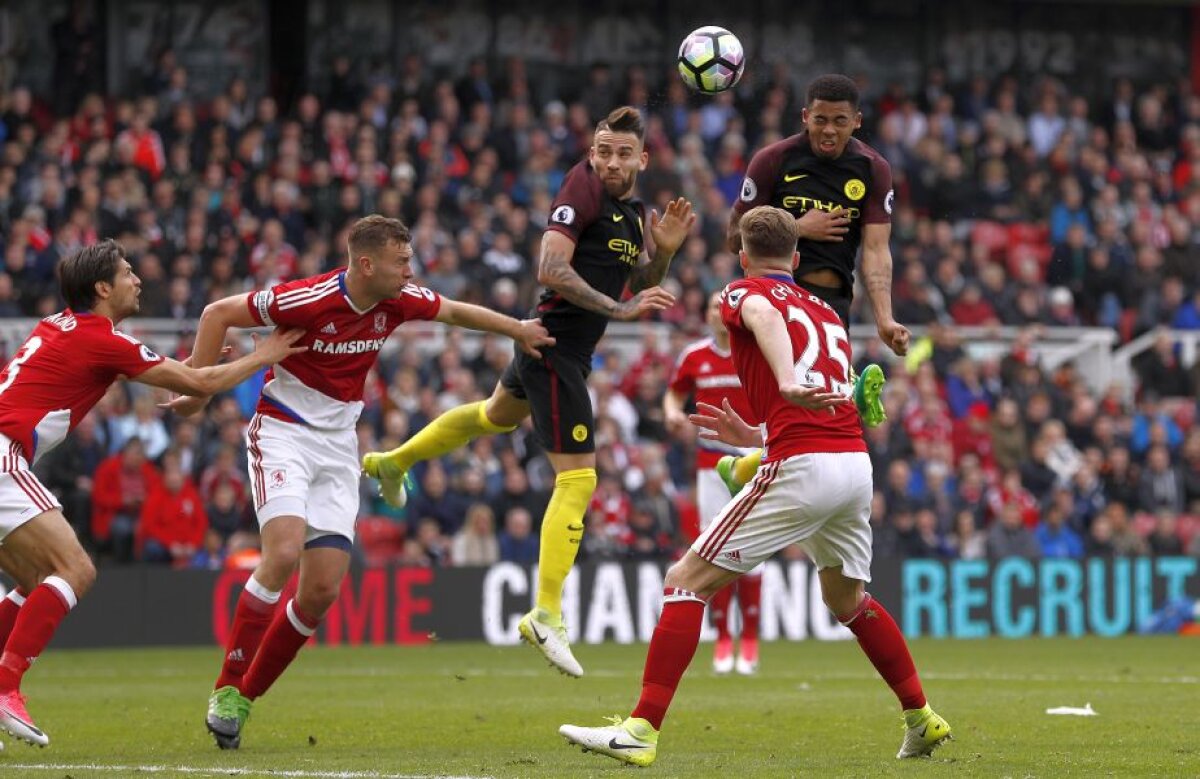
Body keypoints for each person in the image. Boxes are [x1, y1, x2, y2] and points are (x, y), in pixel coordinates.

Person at [559, 206, 951, 767]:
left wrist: (786, 383)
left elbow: (764, 312)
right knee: (848, 599)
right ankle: (920, 717)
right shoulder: (822, 309)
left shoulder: (741, 293)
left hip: (805, 465)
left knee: (684, 581)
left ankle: (640, 729)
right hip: (851, 464)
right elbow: (819, 397)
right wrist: (760, 430)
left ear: (743, 257)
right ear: (796, 258)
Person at [168, 215, 553, 750]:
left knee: (321, 590)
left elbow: (456, 312)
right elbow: (218, 312)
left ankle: (245, 699)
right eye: (402, 261)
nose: (410, 271)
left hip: (338, 446)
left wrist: (518, 329)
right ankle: (226, 686)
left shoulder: (397, 300)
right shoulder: (306, 299)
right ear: (366, 264)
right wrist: (196, 386)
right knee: (281, 554)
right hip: (283, 432)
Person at [361, 106, 694, 678]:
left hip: (554, 346)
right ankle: (546, 614)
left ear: (643, 158)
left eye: (622, 154)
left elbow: (639, 282)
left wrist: (662, 250)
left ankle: (391, 461)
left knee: (492, 417)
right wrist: (620, 308)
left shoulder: (633, 211)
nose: (610, 162)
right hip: (553, 349)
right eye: (602, 150)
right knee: (579, 477)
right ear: (592, 152)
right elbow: (550, 267)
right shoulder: (581, 187)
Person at [0, 239, 304, 746]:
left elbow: (171, 379)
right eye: (126, 273)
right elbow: (196, 383)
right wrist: (266, 355)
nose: (137, 280)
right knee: (75, 570)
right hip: (3, 453)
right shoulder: (103, 339)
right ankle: (6, 685)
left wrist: (191, 373)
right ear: (102, 288)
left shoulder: (61, 325)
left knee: (37, 579)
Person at [718, 73, 908, 495]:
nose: (828, 130)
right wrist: (795, 226)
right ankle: (758, 468)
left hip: (830, 303)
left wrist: (885, 318)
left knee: (815, 412)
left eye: (839, 121)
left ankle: (746, 468)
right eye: (820, 119)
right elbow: (733, 237)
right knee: (805, 405)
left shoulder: (873, 169)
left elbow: (876, 250)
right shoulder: (773, 160)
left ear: (856, 121)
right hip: (776, 295)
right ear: (805, 117)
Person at [663, 291, 762, 674]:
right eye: (709, 307)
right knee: (710, 546)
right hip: (710, 462)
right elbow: (674, 394)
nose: (717, 314)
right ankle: (724, 638)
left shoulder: (753, 349)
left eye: (722, 307)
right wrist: (673, 413)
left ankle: (749, 638)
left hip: (754, 461)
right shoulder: (694, 355)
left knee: (753, 543)